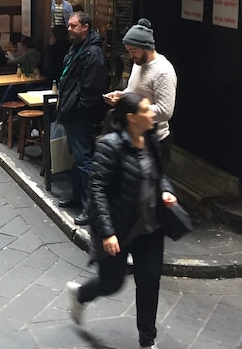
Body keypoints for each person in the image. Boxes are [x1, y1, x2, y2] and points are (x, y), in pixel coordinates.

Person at [66, 93, 177, 349]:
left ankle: (147, 341)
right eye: (147, 110)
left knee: (149, 283)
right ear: (132, 118)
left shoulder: (150, 140)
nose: (152, 114)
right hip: (119, 228)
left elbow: (159, 175)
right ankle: (80, 294)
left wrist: (166, 190)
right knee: (111, 282)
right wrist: (107, 233)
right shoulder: (109, 145)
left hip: (150, 228)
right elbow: (97, 189)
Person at [55, 12, 109, 226]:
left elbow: (91, 88)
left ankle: (90, 208)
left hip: (79, 115)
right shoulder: (77, 47)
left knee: (84, 159)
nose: (69, 29)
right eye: (68, 26)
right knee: (77, 157)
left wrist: (77, 108)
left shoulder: (93, 53)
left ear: (85, 27)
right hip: (71, 111)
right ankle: (77, 196)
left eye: (73, 26)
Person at [105, 19, 177, 144]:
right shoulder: (138, 63)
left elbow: (165, 112)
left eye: (133, 50)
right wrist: (122, 96)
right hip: (135, 134)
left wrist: (133, 109)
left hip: (155, 138)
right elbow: (135, 91)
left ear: (146, 47)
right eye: (128, 50)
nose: (131, 55)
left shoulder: (163, 71)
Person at [0, 36, 42, 120]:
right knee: (12, 87)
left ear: (25, 46)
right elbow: (19, 56)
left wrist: (8, 53)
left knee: (13, 86)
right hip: (33, 80)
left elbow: (14, 61)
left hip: (30, 82)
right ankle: (3, 110)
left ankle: (1, 109)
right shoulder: (34, 53)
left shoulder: (29, 53)